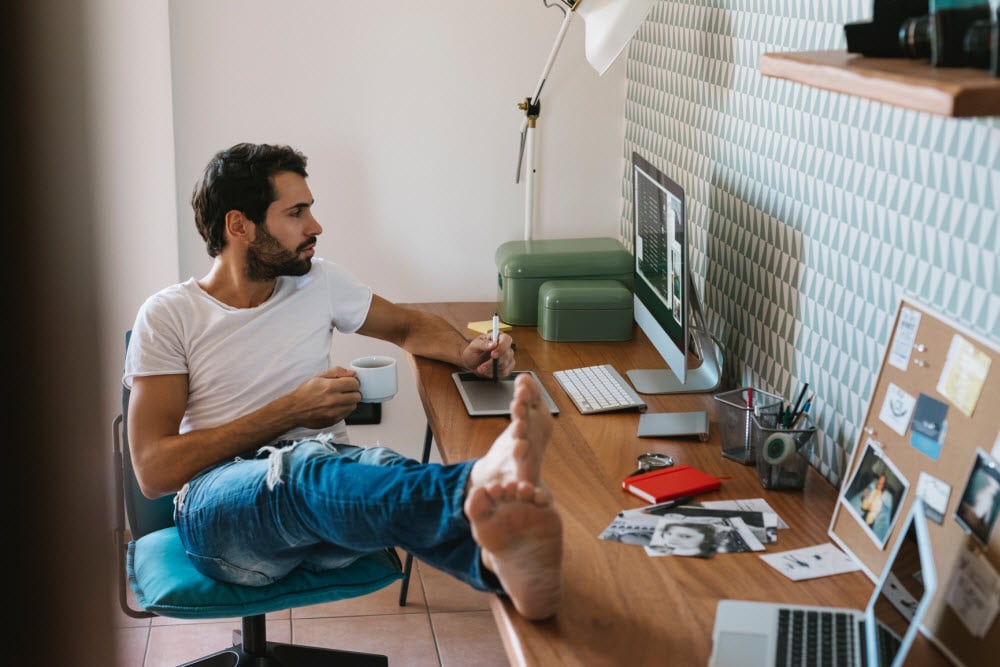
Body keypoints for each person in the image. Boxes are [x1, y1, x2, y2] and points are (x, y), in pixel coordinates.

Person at [124, 142, 563, 621]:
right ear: (239, 226)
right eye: (296, 212)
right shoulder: (170, 315)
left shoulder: (319, 282)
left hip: (327, 501)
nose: (315, 226)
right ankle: (477, 480)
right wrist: (291, 411)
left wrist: (468, 353)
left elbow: (409, 326)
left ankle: (500, 570)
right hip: (222, 515)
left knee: (372, 464)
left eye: (309, 209)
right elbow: (153, 471)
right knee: (302, 472)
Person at [648, 521, 717, 558]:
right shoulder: (658, 549)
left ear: (707, 538)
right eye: (669, 533)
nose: (672, 538)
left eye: (685, 536)